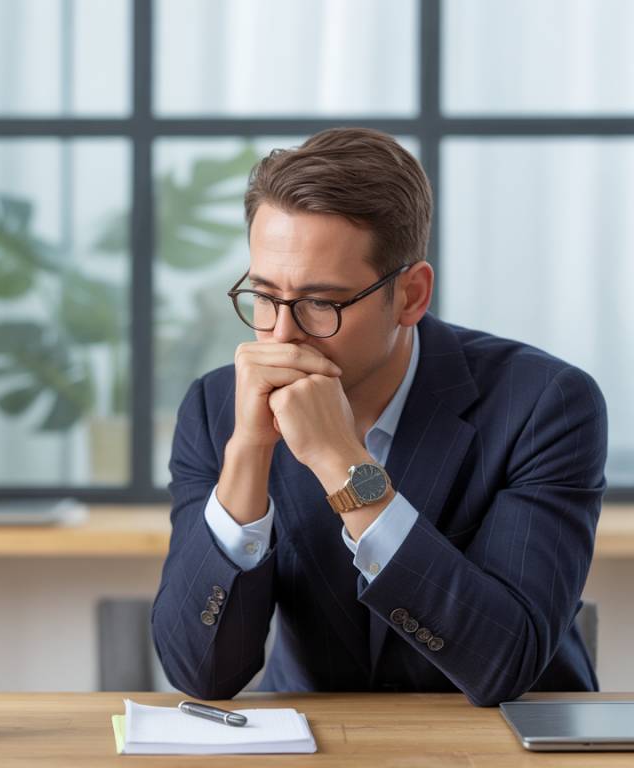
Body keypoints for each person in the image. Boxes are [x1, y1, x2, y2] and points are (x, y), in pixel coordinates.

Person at [151, 127, 607, 707]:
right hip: (319, 742)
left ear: (412, 295)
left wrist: (342, 462)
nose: (282, 335)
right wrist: (248, 450)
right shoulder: (217, 408)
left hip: (507, 742)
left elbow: (502, 661)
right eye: (264, 295)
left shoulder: (545, 403)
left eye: (321, 302)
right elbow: (200, 671)